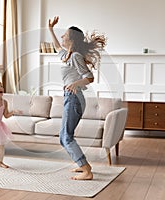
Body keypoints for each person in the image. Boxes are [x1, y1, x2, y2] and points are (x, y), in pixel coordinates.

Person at [48, 16, 107, 180]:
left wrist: (76, 83)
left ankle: (87, 170)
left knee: (66, 137)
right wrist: (50, 29)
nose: (62, 37)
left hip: (74, 98)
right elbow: (56, 46)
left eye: (64, 35)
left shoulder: (75, 57)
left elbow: (89, 77)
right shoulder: (67, 55)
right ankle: (82, 164)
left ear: (71, 39)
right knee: (63, 136)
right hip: (70, 97)